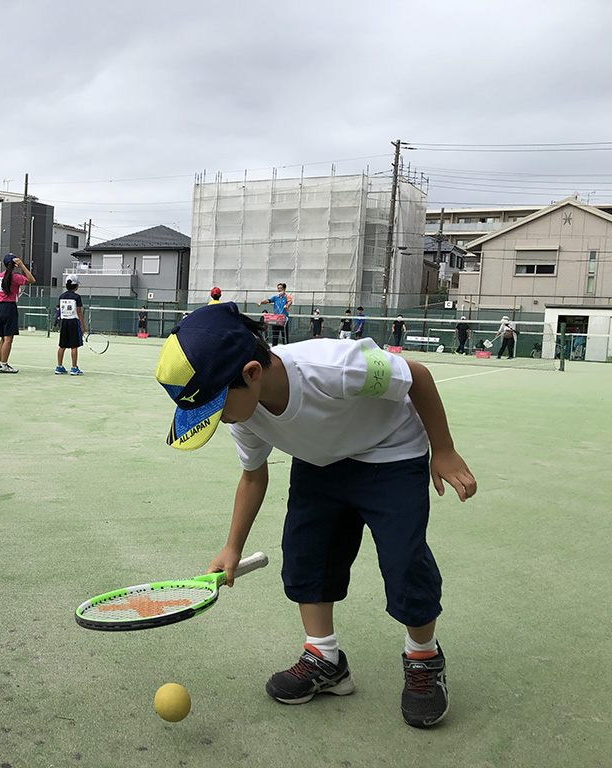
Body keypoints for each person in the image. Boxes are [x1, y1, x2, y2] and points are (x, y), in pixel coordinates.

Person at [155, 302, 477, 728]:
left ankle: (423, 658)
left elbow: (416, 375)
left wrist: (445, 450)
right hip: (320, 463)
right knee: (307, 554)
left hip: (391, 453)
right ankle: (325, 659)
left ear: (252, 373)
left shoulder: (332, 367)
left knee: (404, 561)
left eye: (217, 406)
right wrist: (232, 547)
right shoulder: (244, 417)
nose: (216, 421)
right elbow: (253, 478)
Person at [0, 254, 36, 374]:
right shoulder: (15, 277)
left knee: (2, 338)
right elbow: (32, 280)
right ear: (15, 265)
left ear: (3, 264)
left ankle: (1, 362)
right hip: (9, 306)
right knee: (8, 339)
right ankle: (4, 364)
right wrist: (22, 266)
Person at [55, 275, 84, 375]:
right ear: (76, 285)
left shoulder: (61, 296)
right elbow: (79, 312)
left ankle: (59, 366)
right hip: (73, 322)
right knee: (74, 346)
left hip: (64, 322)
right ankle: (74, 368)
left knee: (62, 346)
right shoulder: (77, 297)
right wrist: (82, 326)